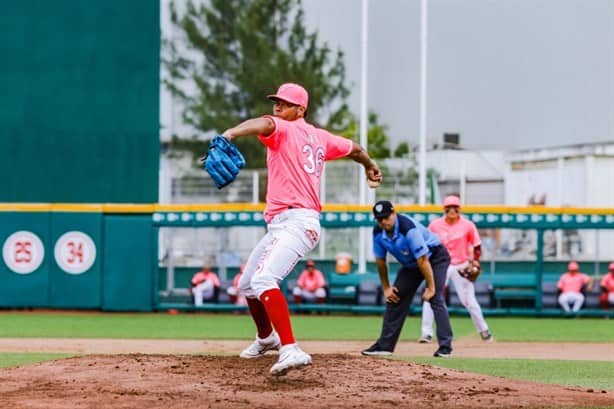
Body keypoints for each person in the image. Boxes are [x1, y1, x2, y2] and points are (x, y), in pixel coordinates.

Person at [221, 82, 382, 376]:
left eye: (284, 102)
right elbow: (356, 149)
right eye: (276, 101)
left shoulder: (281, 128)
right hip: (286, 224)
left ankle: (291, 348)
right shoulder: (320, 137)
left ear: (300, 109)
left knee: (264, 279)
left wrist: (230, 133)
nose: (277, 107)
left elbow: (262, 123)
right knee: (246, 285)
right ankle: (265, 338)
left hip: (296, 221)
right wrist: (369, 166)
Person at [362, 200, 454, 358]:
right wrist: (386, 288)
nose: (383, 221)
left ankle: (445, 347)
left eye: (386, 217)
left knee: (435, 298)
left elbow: (423, 260)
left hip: (434, 257)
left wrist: (431, 287)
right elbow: (380, 262)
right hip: (412, 264)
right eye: (379, 219)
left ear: (394, 213)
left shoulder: (407, 228)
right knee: (394, 297)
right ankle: (385, 346)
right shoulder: (378, 232)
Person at [419, 195, 493, 343]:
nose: (452, 211)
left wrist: (476, 262)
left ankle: (484, 330)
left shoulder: (468, 225)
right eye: (449, 208)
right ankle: (426, 333)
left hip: (461, 265)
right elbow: (426, 244)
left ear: (459, 209)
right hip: (441, 264)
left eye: (455, 208)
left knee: (469, 301)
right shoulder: (435, 225)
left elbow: (477, 245)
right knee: (431, 296)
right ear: (444, 209)